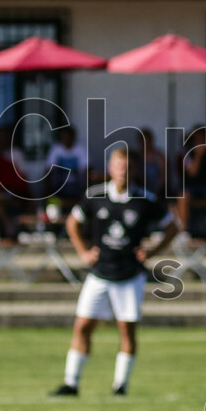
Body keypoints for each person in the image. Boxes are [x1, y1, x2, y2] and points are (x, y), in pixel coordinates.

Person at [50, 145, 178, 396]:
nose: (123, 171)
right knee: (83, 325)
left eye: (128, 167)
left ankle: (121, 386)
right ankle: (71, 383)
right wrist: (83, 252)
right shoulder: (95, 195)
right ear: (110, 168)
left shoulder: (145, 199)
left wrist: (152, 252)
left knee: (126, 329)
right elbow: (72, 223)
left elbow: (174, 227)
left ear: (135, 171)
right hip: (99, 273)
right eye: (119, 166)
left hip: (130, 275)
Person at [176, 125, 206, 238]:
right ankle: (183, 231)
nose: (200, 141)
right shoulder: (188, 152)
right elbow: (192, 172)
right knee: (183, 195)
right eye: (197, 138)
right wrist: (199, 155)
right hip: (191, 187)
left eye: (202, 138)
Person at [44, 124, 88, 200]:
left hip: (77, 186)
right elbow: (48, 170)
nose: (66, 140)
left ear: (73, 137)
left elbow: (87, 170)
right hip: (59, 185)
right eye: (63, 138)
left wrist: (86, 189)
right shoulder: (55, 149)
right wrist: (47, 190)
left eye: (68, 137)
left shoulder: (81, 149)